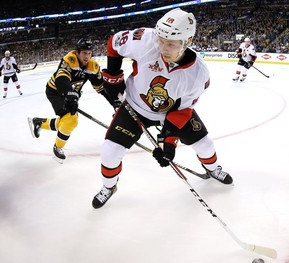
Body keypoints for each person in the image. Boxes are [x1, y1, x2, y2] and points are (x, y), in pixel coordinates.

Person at [92, 8, 233, 209]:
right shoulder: (145, 40)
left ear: (188, 41)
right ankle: (109, 186)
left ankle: (212, 168)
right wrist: (113, 76)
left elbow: (183, 110)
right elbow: (114, 42)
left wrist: (169, 143)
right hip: (135, 105)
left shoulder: (198, 74)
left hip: (170, 111)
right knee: (109, 152)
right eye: (161, 40)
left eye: (171, 44)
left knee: (205, 144)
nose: (163, 48)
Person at [27, 38, 117, 163]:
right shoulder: (69, 60)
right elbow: (61, 78)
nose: (87, 56)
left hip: (71, 95)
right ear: (78, 52)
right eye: (84, 53)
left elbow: (101, 88)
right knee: (71, 120)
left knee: (67, 121)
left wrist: (114, 102)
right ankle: (57, 147)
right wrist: (70, 94)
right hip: (56, 92)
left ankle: (40, 123)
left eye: (89, 53)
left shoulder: (92, 66)